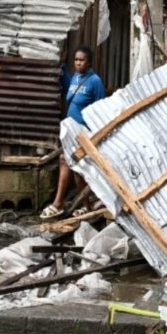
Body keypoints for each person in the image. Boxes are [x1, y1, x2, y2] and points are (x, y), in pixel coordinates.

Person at [40, 45, 105, 219]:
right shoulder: (76, 77)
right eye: (76, 60)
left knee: (70, 163)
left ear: (89, 62)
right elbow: (71, 90)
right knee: (73, 166)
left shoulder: (95, 81)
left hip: (83, 131)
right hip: (70, 131)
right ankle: (85, 205)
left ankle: (59, 204)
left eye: (82, 60)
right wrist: (61, 67)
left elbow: (100, 107)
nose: (78, 63)